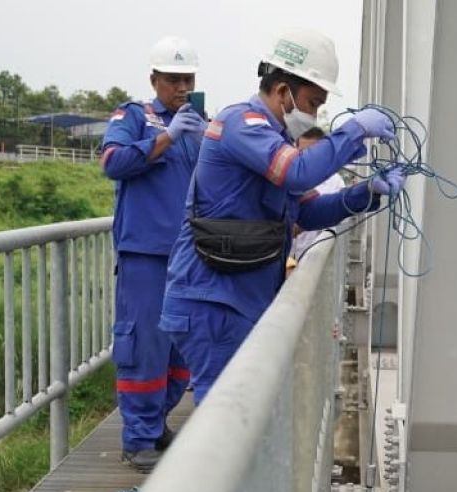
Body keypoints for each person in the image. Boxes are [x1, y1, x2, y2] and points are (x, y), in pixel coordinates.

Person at [160, 28, 406, 402]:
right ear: (281, 92)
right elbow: (297, 173)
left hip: (237, 296)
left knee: (244, 407)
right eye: (312, 102)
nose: (315, 113)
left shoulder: (274, 139)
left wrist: (366, 193)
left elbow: (305, 211)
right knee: (228, 409)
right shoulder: (242, 125)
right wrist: (353, 131)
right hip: (213, 300)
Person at [100, 35, 207, 472]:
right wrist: (163, 140)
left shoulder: (199, 124)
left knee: (181, 346)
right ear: (154, 79)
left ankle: (158, 421)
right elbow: (112, 162)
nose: (181, 87)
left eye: (188, 79)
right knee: (145, 345)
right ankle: (139, 437)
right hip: (145, 252)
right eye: (173, 79)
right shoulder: (135, 116)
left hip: (189, 253)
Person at [288, 126, 347, 271]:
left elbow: (338, 224)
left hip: (318, 267)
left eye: (312, 153)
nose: (307, 158)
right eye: (302, 152)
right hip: (285, 264)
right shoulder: (288, 179)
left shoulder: (336, 183)